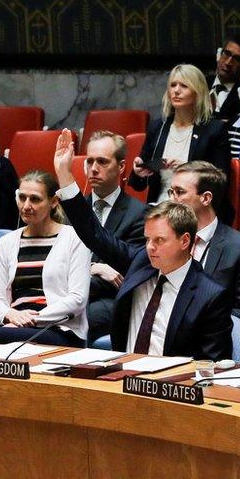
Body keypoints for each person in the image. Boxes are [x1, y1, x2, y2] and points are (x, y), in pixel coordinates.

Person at [55, 140, 233, 358]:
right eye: (148, 239)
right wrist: (65, 175)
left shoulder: (210, 296)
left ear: (185, 241)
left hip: (171, 384)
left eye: (159, 240)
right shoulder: (142, 262)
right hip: (123, 375)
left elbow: (211, 368)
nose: (150, 247)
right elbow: (95, 234)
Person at [168, 161, 240, 362]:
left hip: (216, 351)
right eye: (171, 192)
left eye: (179, 192)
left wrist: (196, 322)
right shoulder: (168, 242)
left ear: (206, 198)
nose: (171, 199)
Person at [0, 170, 90, 347]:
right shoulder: (6, 242)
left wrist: (32, 318)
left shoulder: (75, 238)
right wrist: (12, 315)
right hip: (14, 324)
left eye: (35, 199)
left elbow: (77, 300)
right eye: (22, 198)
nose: (26, 206)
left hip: (58, 328)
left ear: (54, 202)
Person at [73, 130, 147, 344]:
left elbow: (128, 273)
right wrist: (94, 268)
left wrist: (79, 275)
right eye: (90, 161)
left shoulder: (139, 214)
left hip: (112, 300)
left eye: (102, 162)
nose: (93, 168)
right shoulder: (74, 211)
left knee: (78, 318)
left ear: (122, 167)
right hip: (73, 295)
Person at [128, 64, 231, 206]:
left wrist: (189, 169)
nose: (176, 91)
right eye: (173, 85)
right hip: (159, 206)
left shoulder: (214, 130)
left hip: (196, 208)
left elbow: (221, 179)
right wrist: (138, 172)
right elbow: (138, 185)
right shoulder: (158, 127)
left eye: (184, 86)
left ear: (197, 92)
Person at [207, 33, 240, 121]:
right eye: (226, 53)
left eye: (237, 59)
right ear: (220, 54)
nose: (228, 63)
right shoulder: (200, 84)